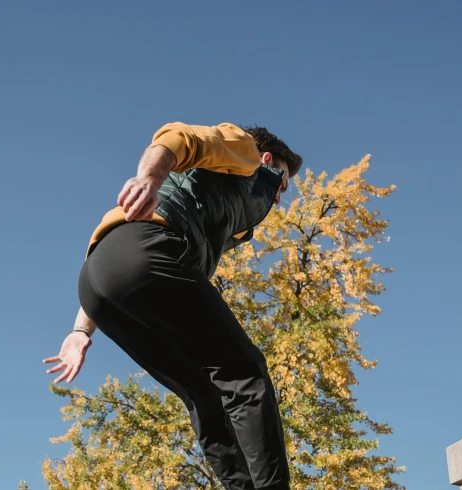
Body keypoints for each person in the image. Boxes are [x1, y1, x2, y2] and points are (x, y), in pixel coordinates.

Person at [42, 122, 303, 490]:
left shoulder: (228, 219)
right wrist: (147, 180)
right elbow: (178, 139)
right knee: (245, 371)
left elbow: (118, 266)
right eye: (282, 182)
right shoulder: (242, 149)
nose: (279, 197)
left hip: (99, 283)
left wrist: (80, 329)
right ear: (266, 160)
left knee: (204, 394)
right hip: (144, 250)